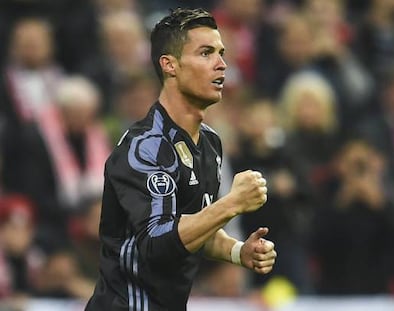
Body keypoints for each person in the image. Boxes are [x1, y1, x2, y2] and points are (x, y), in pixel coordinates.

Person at [85, 8, 276, 311]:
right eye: (205, 53)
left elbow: (194, 228)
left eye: (221, 53)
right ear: (169, 65)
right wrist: (232, 203)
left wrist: (240, 252)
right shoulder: (145, 147)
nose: (222, 64)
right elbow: (158, 243)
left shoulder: (210, 143)